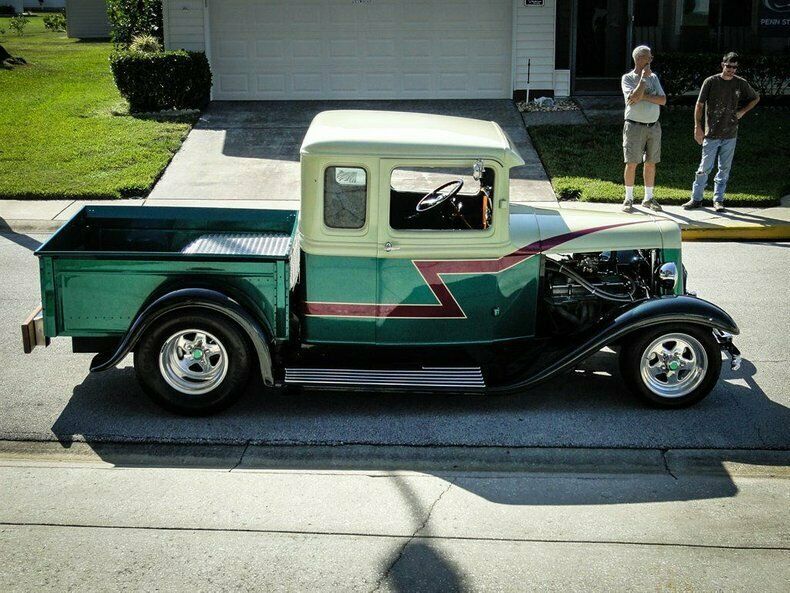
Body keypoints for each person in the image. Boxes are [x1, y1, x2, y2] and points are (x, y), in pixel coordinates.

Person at [683, 52, 760, 212]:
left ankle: (718, 200)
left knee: (724, 169)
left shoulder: (740, 83)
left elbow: (755, 98)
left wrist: (742, 112)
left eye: (734, 67)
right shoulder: (711, 81)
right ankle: (696, 198)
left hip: (730, 133)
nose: (731, 70)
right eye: (728, 66)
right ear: (722, 65)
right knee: (704, 167)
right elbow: (699, 105)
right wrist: (698, 127)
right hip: (711, 133)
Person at [620, 45, 666, 212]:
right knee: (632, 162)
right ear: (639, 59)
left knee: (651, 163)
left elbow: (663, 100)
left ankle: (648, 198)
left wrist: (644, 96)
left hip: (653, 126)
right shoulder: (628, 78)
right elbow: (631, 98)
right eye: (649, 57)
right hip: (634, 126)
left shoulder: (654, 77)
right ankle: (629, 198)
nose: (651, 59)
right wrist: (643, 80)